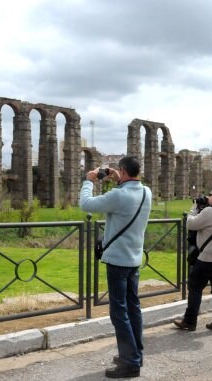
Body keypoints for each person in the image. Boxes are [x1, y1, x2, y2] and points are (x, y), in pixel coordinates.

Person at [79, 156, 152, 379]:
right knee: (133, 309)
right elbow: (128, 189)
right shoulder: (146, 192)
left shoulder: (119, 195)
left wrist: (89, 180)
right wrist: (120, 178)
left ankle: (130, 363)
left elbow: (86, 204)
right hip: (134, 260)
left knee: (119, 312)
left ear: (122, 170)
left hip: (117, 262)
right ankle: (135, 354)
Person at [173, 184, 212, 332]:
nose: (208, 196)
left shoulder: (209, 212)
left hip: (206, 258)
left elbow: (191, 224)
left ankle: (189, 321)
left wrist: (194, 208)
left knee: (195, 289)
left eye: (211, 195)